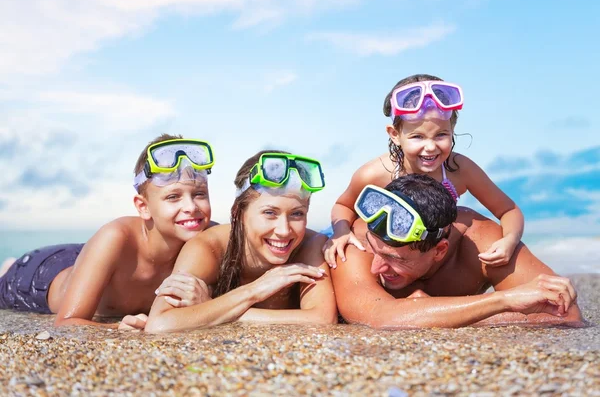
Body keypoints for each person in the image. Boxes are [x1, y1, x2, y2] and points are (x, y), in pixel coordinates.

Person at [0, 134, 216, 329]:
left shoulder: (213, 239)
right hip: (39, 276)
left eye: (199, 194)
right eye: (173, 197)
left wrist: (207, 303)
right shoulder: (116, 236)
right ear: (143, 207)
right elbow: (66, 323)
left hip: (90, 257)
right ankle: (9, 267)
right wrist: (117, 329)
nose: (191, 207)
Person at [323, 74, 524, 269]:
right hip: (381, 253)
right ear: (395, 135)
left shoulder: (460, 170)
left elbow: (508, 210)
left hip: (420, 256)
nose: (430, 147)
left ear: (452, 130)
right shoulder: (376, 173)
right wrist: (340, 233)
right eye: (417, 137)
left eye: (441, 135)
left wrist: (510, 239)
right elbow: (343, 205)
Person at [331, 174, 583, 328]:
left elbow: (565, 314)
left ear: (439, 250)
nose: (375, 268)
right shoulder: (355, 241)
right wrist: (502, 301)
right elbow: (379, 317)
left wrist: (434, 314)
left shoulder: (483, 242)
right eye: (376, 251)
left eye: (393, 259)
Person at [145, 150, 337, 333]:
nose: (284, 230)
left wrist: (212, 307)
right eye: (269, 213)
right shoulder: (208, 248)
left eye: (297, 214)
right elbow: (160, 324)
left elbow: (323, 319)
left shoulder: (311, 245)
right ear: (238, 213)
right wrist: (255, 290)